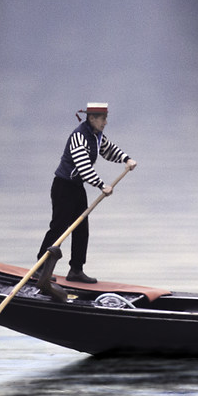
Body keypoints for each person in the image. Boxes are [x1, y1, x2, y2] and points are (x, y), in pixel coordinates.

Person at [37, 101, 133, 286]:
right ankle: (41, 266)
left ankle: (76, 270)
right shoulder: (78, 137)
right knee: (59, 228)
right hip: (63, 187)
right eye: (103, 119)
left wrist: (126, 159)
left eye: (106, 119)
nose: (105, 123)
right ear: (92, 118)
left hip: (76, 187)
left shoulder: (96, 136)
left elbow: (109, 150)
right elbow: (83, 166)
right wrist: (101, 185)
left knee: (82, 229)